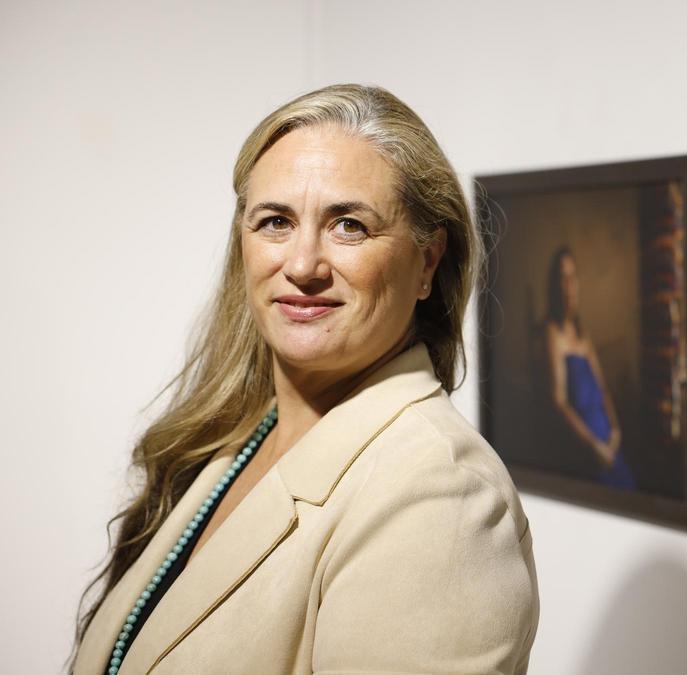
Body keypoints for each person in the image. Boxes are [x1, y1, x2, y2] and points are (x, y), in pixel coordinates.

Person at [71, 84, 538, 674]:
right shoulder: (235, 442)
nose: (301, 265)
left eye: (348, 225)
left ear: (427, 261)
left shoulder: (441, 499)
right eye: (275, 222)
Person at [543, 247, 635, 490]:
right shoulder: (553, 333)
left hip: (609, 439)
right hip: (587, 446)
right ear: (555, 286)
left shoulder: (583, 334)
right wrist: (594, 447)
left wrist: (616, 430)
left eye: (573, 277)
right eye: (563, 277)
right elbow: (559, 401)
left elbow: (602, 387)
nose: (569, 285)